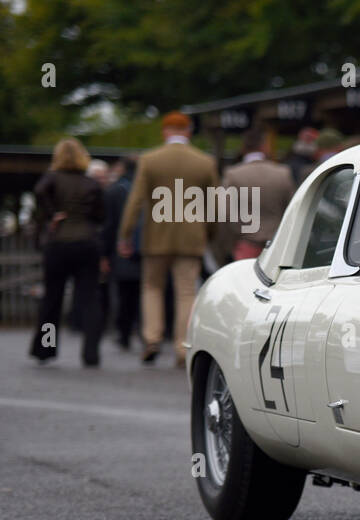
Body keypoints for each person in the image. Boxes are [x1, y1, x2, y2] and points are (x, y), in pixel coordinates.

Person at [118, 111, 219, 367]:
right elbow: (216, 203)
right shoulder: (205, 162)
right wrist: (210, 233)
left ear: (165, 132)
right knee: (186, 291)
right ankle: (182, 348)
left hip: (156, 237)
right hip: (191, 238)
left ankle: (152, 338)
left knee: (152, 288)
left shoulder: (150, 160)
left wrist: (126, 233)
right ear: (188, 131)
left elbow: (136, 200)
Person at [28, 138, 107, 366]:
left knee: (52, 298)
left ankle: (46, 348)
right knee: (90, 299)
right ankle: (90, 353)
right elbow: (101, 216)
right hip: (87, 243)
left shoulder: (51, 179)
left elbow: (39, 191)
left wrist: (54, 213)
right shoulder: (91, 183)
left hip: (58, 244)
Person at [218, 126, 296, 263]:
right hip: (276, 245)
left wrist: (229, 245)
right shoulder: (283, 173)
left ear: (243, 147)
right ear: (264, 147)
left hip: (246, 244)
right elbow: (292, 209)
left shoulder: (233, 175)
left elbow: (225, 214)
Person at [102, 156, 141, 349]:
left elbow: (108, 226)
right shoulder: (150, 188)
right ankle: (148, 334)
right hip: (147, 250)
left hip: (122, 250)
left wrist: (105, 254)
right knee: (147, 293)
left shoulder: (115, 191)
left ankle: (124, 333)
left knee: (123, 294)